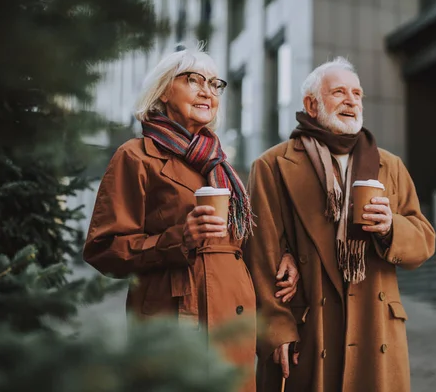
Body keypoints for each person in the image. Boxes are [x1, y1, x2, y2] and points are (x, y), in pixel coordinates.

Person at [82, 44, 298, 392]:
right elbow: (104, 249)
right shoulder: (136, 156)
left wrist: (284, 254)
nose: (207, 91)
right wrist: (179, 238)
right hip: (175, 321)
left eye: (215, 84)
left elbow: (243, 242)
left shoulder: (221, 165)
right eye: (194, 80)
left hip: (235, 322)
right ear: (165, 90)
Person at [244, 57, 436, 392]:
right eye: (339, 92)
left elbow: (423, 242)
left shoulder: (389, 165)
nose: (351, 100)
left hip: (376, 331)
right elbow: (260, 255)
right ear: (311, 103)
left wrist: (391, 227)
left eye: (357, 93)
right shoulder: (272, 165)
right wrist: (275, 329)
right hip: (307, 330)